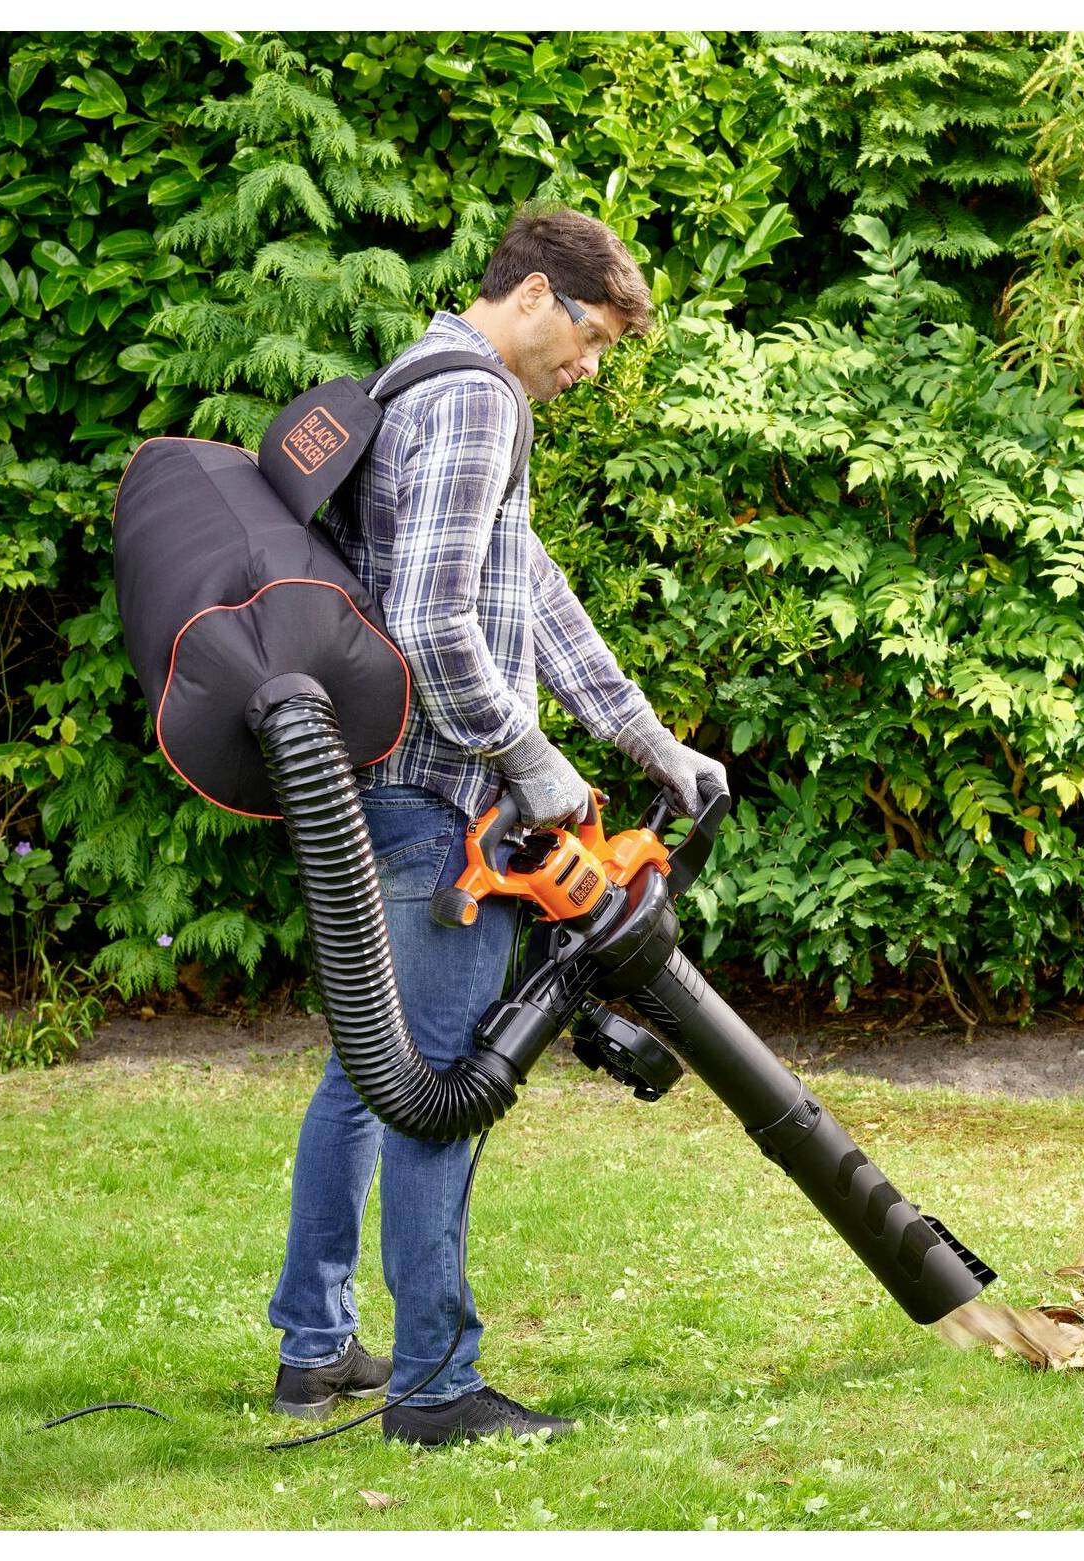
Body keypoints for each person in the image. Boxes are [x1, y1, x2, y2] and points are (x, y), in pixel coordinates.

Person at [264, 207, 728, 1446]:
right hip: (443, 804)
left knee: (372, 1072)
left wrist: (646, 744)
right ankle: (434, 1386)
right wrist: (532, 763)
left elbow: (531, 590)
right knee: (445, 1089)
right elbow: (431, 620)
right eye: (587, 340)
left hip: (388, 786)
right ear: (532, 294)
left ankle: (316, 1348)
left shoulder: (419, 377)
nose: (588, 369)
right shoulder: (478, 401)